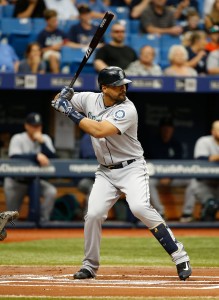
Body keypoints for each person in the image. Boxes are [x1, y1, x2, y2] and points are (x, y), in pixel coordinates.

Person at [51, 66, 192, 281]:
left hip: (131, 168)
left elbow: (98, 130)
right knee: (94, 215)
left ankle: (179, 255)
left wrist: (68, 110)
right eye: (118, 86)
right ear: (104, 88)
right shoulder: (89, 98)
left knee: (139, 207)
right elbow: (57, 100)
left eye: (124, 84)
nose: (123, 88)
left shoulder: (128, 109)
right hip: (105, 172)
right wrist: (63, 96)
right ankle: (89, 266)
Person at [3, 112, 57, 223]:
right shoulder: (18, 138)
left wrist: (42, 143)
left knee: (51, 191)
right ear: (26, 126)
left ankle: (43, 221)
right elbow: (14, 157)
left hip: (36, 181)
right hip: (16, 182)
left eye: (38, 126)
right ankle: (13, 233)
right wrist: (36, 156)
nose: (36, 129)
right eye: (33, 126)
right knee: (12, 217)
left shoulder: (45, 138)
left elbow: (52, 157)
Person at [145, 117, 194, 218]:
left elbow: (179, 165)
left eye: (169, 127)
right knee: (147, 182)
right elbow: (147, 163)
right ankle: (160, 213)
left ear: (172, 129)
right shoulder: (152, 143)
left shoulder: (176, 144)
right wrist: (160, 176)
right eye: (164, 127)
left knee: (193, 181)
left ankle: (187, 213)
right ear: (160, 128)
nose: (167, 129)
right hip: (156, 177)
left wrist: (170, 176)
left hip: (173, 177)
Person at [181, 121, 219, 222]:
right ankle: (189, 214)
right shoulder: (204, 141)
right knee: (211, 206)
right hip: (204, 183)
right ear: (213, 131)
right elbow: (201, 161)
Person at [37, 9, 69, 73]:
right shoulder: (42, 34)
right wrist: (52, 48)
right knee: (52, 56)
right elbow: (39, 50)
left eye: (56, 20)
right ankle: (57, 78)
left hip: (61, 53)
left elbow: (67, 42)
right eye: (53, 21)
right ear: (47, 21)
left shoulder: (60, 32)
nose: (56, 23)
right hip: (48, 54)